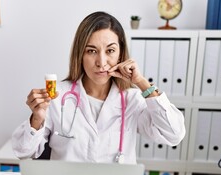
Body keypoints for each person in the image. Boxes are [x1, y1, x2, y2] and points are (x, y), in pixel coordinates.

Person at [12, 11, 185, 164]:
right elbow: (23, 152)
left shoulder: (132, 99)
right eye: (91, 51)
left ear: (120, 53)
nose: (101, 63)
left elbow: (174, 134)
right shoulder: (59, 96)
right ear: (80, 54)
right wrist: (37, 118)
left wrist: (141, 83)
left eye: (110, 51)